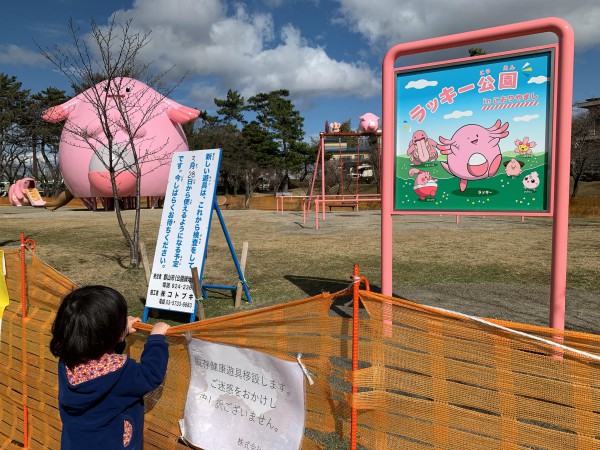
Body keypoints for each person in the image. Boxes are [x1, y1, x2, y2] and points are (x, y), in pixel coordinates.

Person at [50, 285, 170, 450]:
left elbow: (97, 353)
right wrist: (156, 339)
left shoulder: (67, 361)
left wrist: (120, 333)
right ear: (108, 334)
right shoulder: (121, 371)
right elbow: (151, 374)